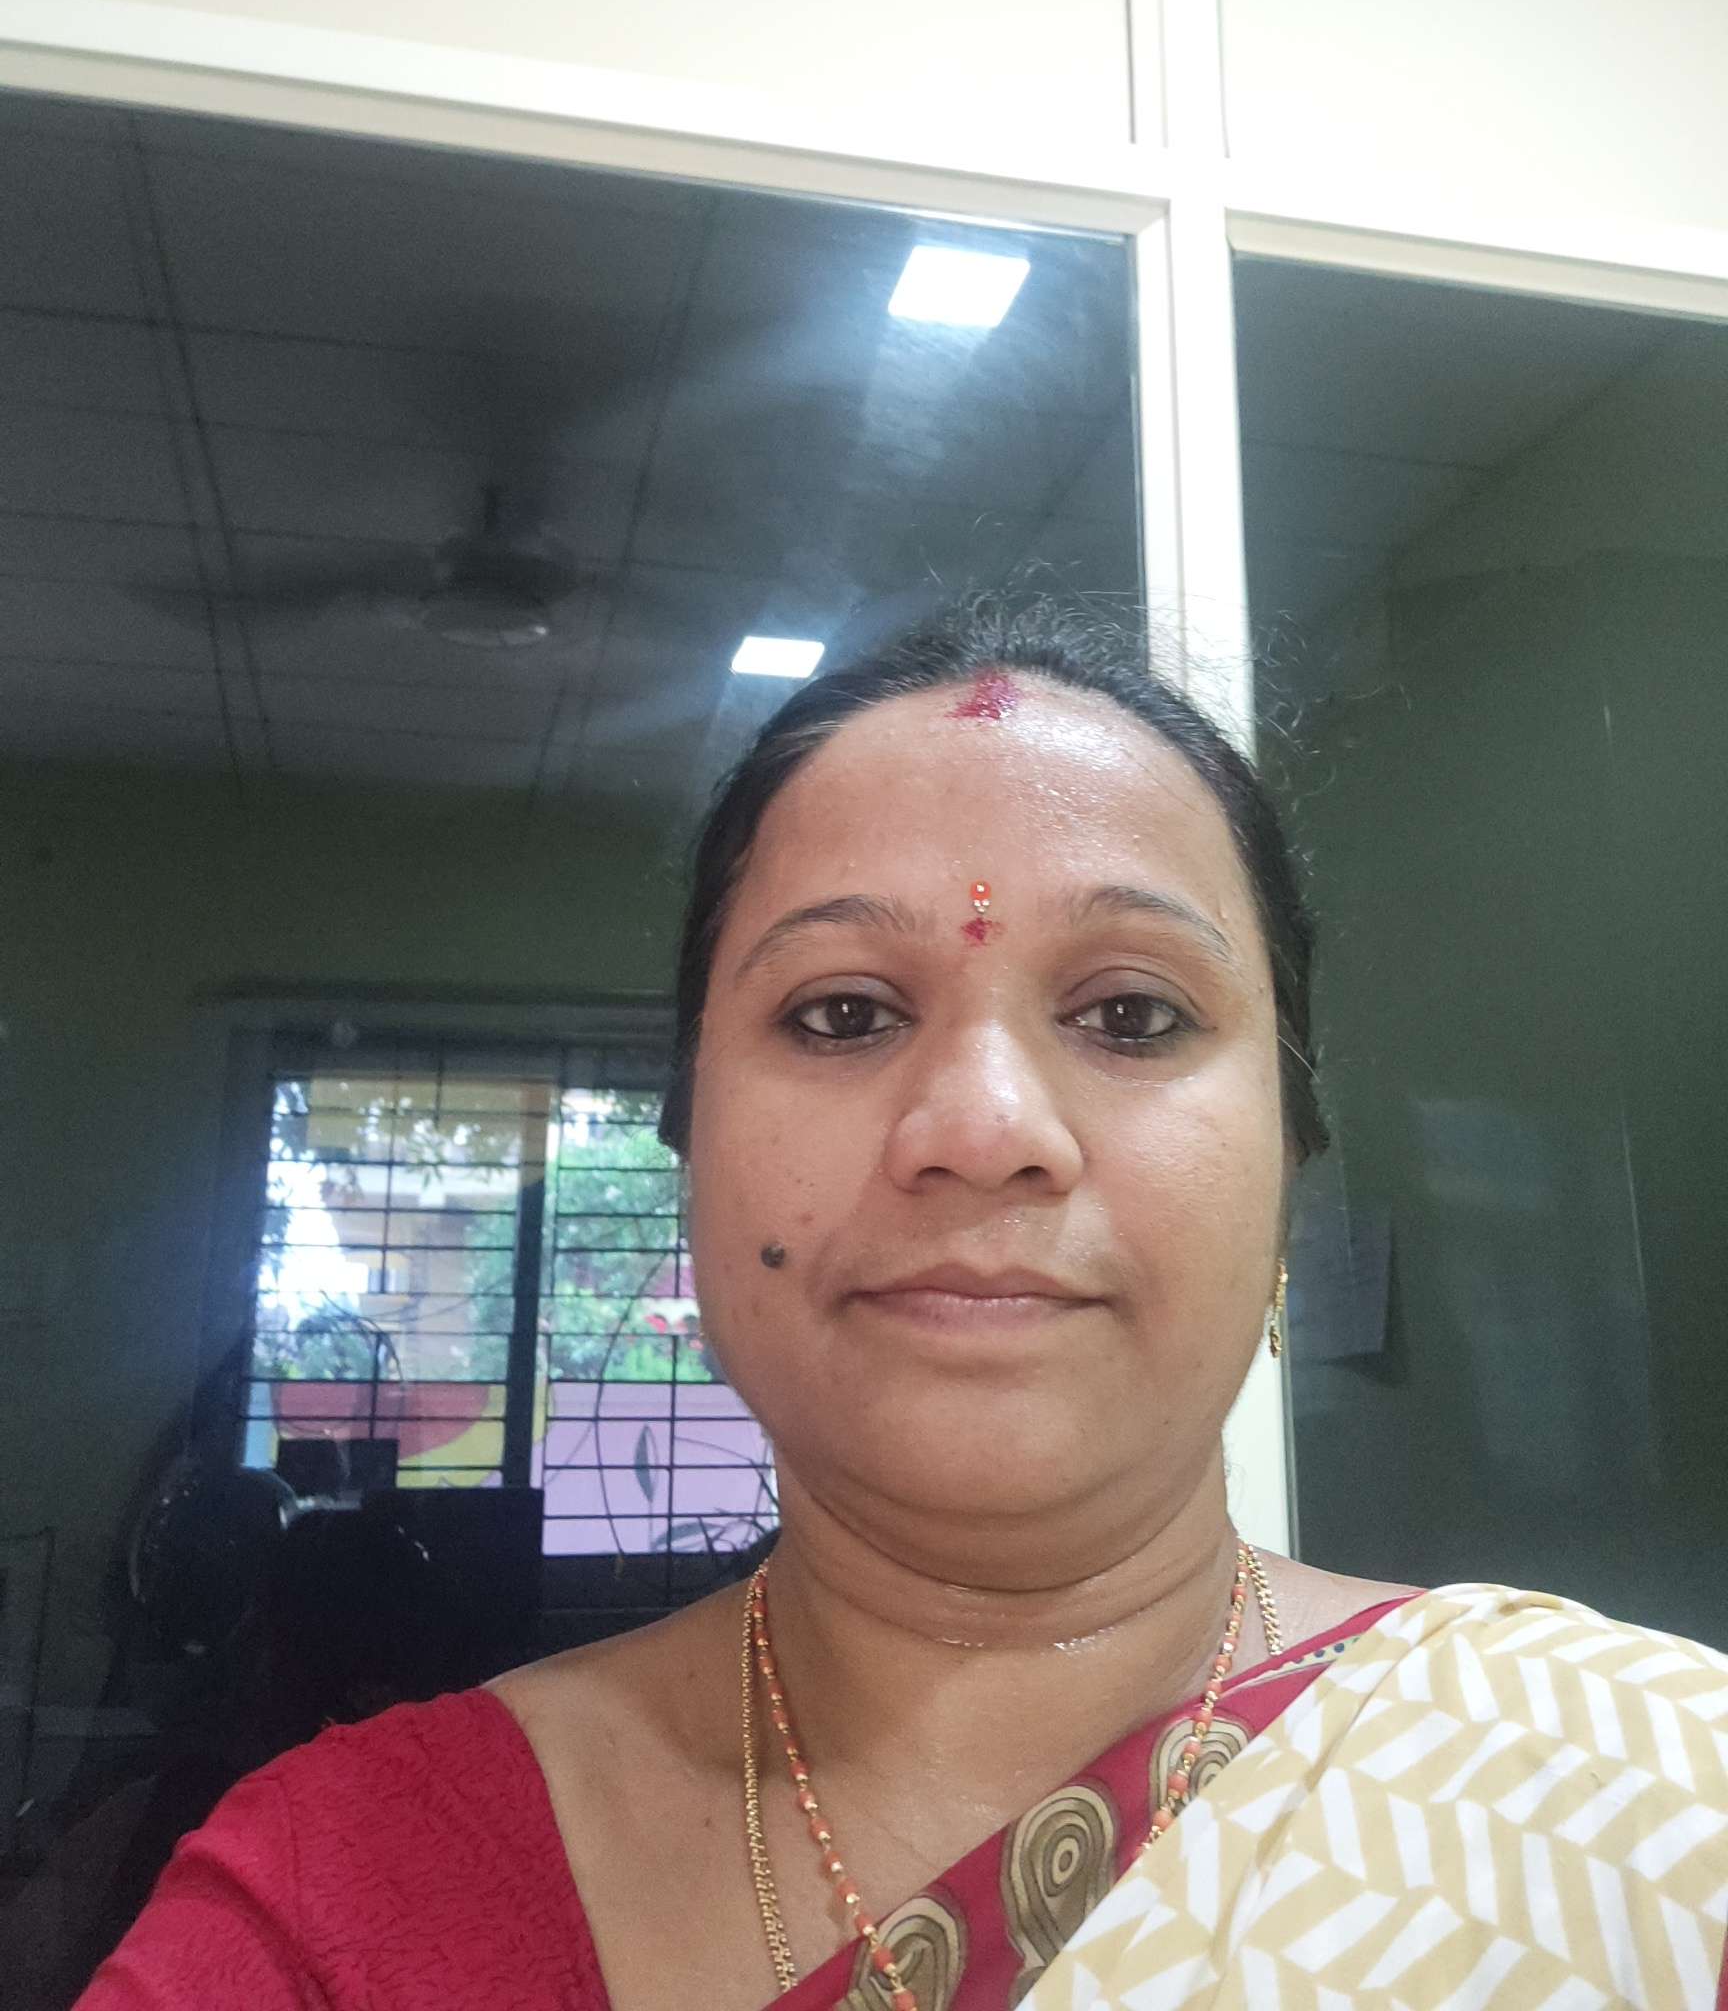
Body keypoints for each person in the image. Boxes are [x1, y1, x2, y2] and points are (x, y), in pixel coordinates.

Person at [77, 602, 1728, 2009]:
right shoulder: (328, 1909)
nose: (985, 1128)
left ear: (1289, 1156)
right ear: (691, 1152)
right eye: (845, 1013)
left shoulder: (1655, 1804)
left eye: (1134, 1014)